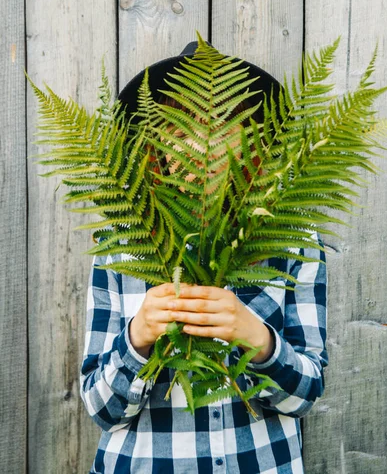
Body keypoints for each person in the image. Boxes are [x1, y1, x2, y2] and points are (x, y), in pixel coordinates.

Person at [79, 41, 328, 474]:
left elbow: (306, 395)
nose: (198, 145)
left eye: (219, 128)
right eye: (177, 131)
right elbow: (101, 409)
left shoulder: (293, 238)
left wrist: (259, 339)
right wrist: (139, 336)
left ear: (253, 139)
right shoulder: (120, 243)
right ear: (154, 150)